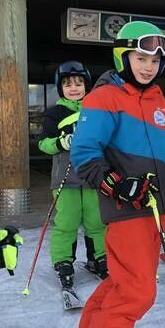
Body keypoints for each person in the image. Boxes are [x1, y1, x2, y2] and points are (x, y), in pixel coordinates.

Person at [69, 21, 165, 328]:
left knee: (116, 285)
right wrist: (116, 184)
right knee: (135, 292)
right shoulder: (104, 97)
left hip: (157, 208)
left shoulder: (157, 99)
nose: (148, 66)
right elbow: (84, 155)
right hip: (129, 210)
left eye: (155, 60)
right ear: (122, 55)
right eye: (141, 57)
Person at [38, 61, 108, 288]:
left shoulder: (96, 110)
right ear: (61, 88)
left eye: (79, 83)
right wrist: (61, 142)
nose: (74, 88)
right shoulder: (55, 113)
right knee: (66, 222)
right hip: (65, 180)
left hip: (92, 177)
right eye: (68, 84)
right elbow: (43, 145)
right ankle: (63, 262)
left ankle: (98, 257)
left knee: (96, 221)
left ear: (87, 85)